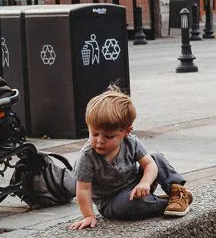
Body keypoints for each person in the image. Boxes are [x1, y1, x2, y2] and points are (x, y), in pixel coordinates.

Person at [68, 88, 193, 230]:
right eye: (94, 134)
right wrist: (88, 216)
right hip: (113, 202)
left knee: (156, 158)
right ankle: (166, 204)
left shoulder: (131, 143)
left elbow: (150, 165)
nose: (100, 141)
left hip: (139, 186)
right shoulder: (88, 156)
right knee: (132, 204)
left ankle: (177, 192)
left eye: (109, 136)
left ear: (126, 132)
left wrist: (145, 183)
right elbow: (83, 189)